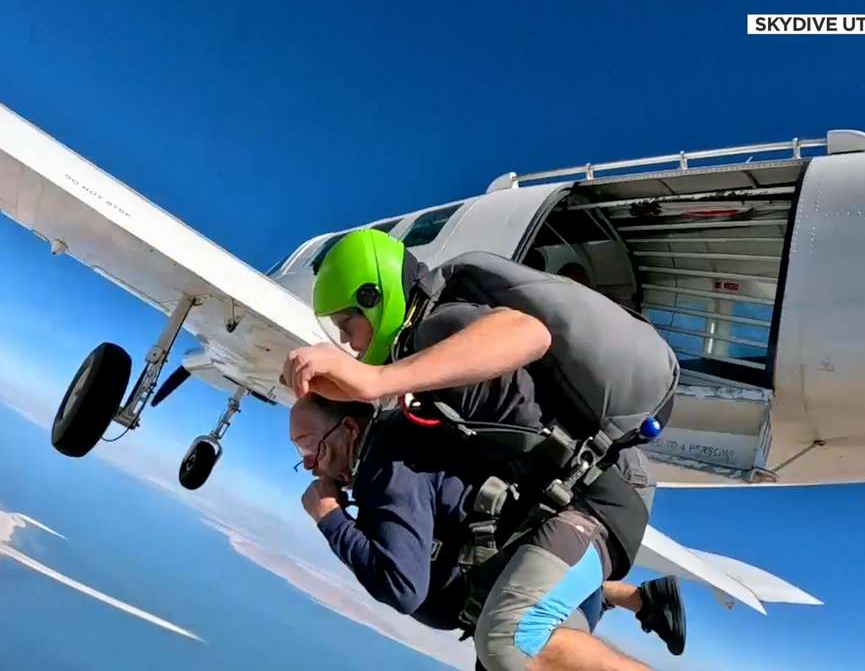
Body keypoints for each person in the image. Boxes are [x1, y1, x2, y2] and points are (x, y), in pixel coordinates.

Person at [281, 229, 682, 670]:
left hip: (597, 500)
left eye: (348, 326)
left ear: (373, 296)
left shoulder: (438, 329)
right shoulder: (423, 382)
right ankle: (635, 599)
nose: (352, 345)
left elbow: (526, 333)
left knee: (509, 641)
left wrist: (375, 383)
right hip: (583, 500)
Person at [289, 393, 686, 670]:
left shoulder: (386, 469)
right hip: (553, 545)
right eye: (301, 455)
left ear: (349, 430)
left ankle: (635, 598)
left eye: (312, 447)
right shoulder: (390, 452)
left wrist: (330, 518)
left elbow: (400, 587)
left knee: (510, 647)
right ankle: (640, 598)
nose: (309, 465)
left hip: (587, 522)